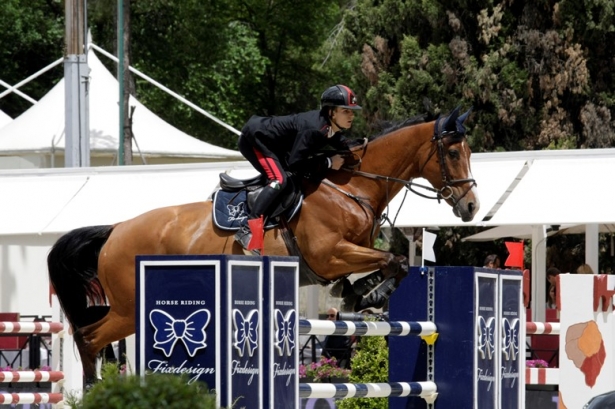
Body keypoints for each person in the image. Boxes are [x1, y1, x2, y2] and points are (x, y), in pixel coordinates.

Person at [234, 85, 362, 253]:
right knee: (279, 180)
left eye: (352, 111)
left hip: (275, 145)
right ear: (331, 112)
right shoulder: (314, 129)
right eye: (346, 111)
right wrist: (328, 163)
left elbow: (341, 142)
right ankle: (247, 229)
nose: (351, 115)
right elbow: (296, 164)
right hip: (256, 140)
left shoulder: (329, 127)